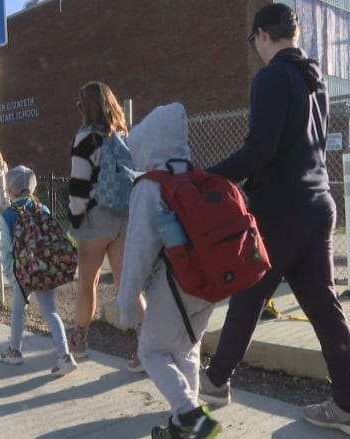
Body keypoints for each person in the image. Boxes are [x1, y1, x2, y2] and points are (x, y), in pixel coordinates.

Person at [199, 4, 350, 438]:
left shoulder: (272, 77)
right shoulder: (315, 80)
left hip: (280, 208)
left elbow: (260, 150)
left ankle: (216, 382)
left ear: (262, 35)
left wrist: (204, 179)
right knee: (324, 307)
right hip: (318, 204)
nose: (255, 50)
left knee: (249, 292)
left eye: (254, 42)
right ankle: (349, 406)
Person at [118, 102, 222, 439]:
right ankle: (181, 429)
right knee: (185, 351)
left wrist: (126, 300)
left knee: (151, 350)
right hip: (211, 281)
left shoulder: (151, 186)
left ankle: (191, 415)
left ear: (147, 146)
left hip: (176, 283)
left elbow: (138, 252)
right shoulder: (195, 177)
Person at [68, 80, 145, 372]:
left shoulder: (85, 138)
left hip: (95, 218)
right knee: (129, 284)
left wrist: (76, 218)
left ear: (86, 108)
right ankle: (146, 348)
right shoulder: (123, 136)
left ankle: (79, 341)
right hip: (123, 216)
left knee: (89, 283)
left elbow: (79, 184)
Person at [0, 164, 78, 377]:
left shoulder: (7, 215)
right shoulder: (43, 209)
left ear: (10, 189)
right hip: (44, 268)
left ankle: (14, 350)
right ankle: (64, 354)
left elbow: (5, 248)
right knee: (50, 311)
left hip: (23, 272)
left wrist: (11, 274)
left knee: (18, 310)